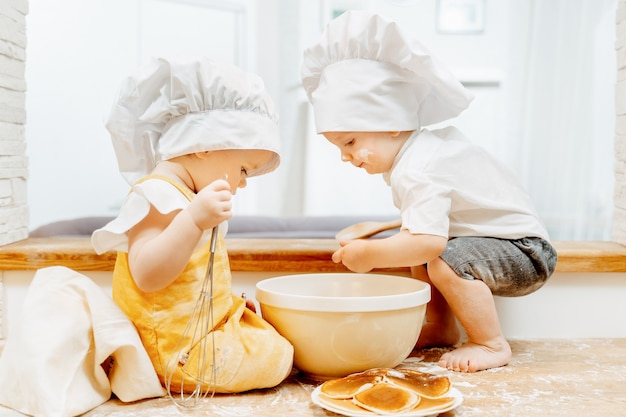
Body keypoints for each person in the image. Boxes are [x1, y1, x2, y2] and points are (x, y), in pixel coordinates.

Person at [301, 11, 557, 373]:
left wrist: (370, 255)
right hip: (510, 246)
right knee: (417, 246)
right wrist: (387, 233)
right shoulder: (420, 155)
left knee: (435, 253)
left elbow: (430, 243)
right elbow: (429, 228)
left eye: (350, 141)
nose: (345, 157)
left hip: (528, 255)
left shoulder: (419, 167)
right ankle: (439, 328)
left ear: (390, 123)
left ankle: (490, 343)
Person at [92, 56, 294, 393]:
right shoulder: (156, 193)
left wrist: (227, 303)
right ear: (203, 146)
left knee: (273, 340)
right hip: (173, 349)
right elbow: (147, 274)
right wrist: (193, 220)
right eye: (244, 169)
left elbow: (194, 280)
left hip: (197, 330)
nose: (243, 183)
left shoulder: (188, 195)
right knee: (277, 357)